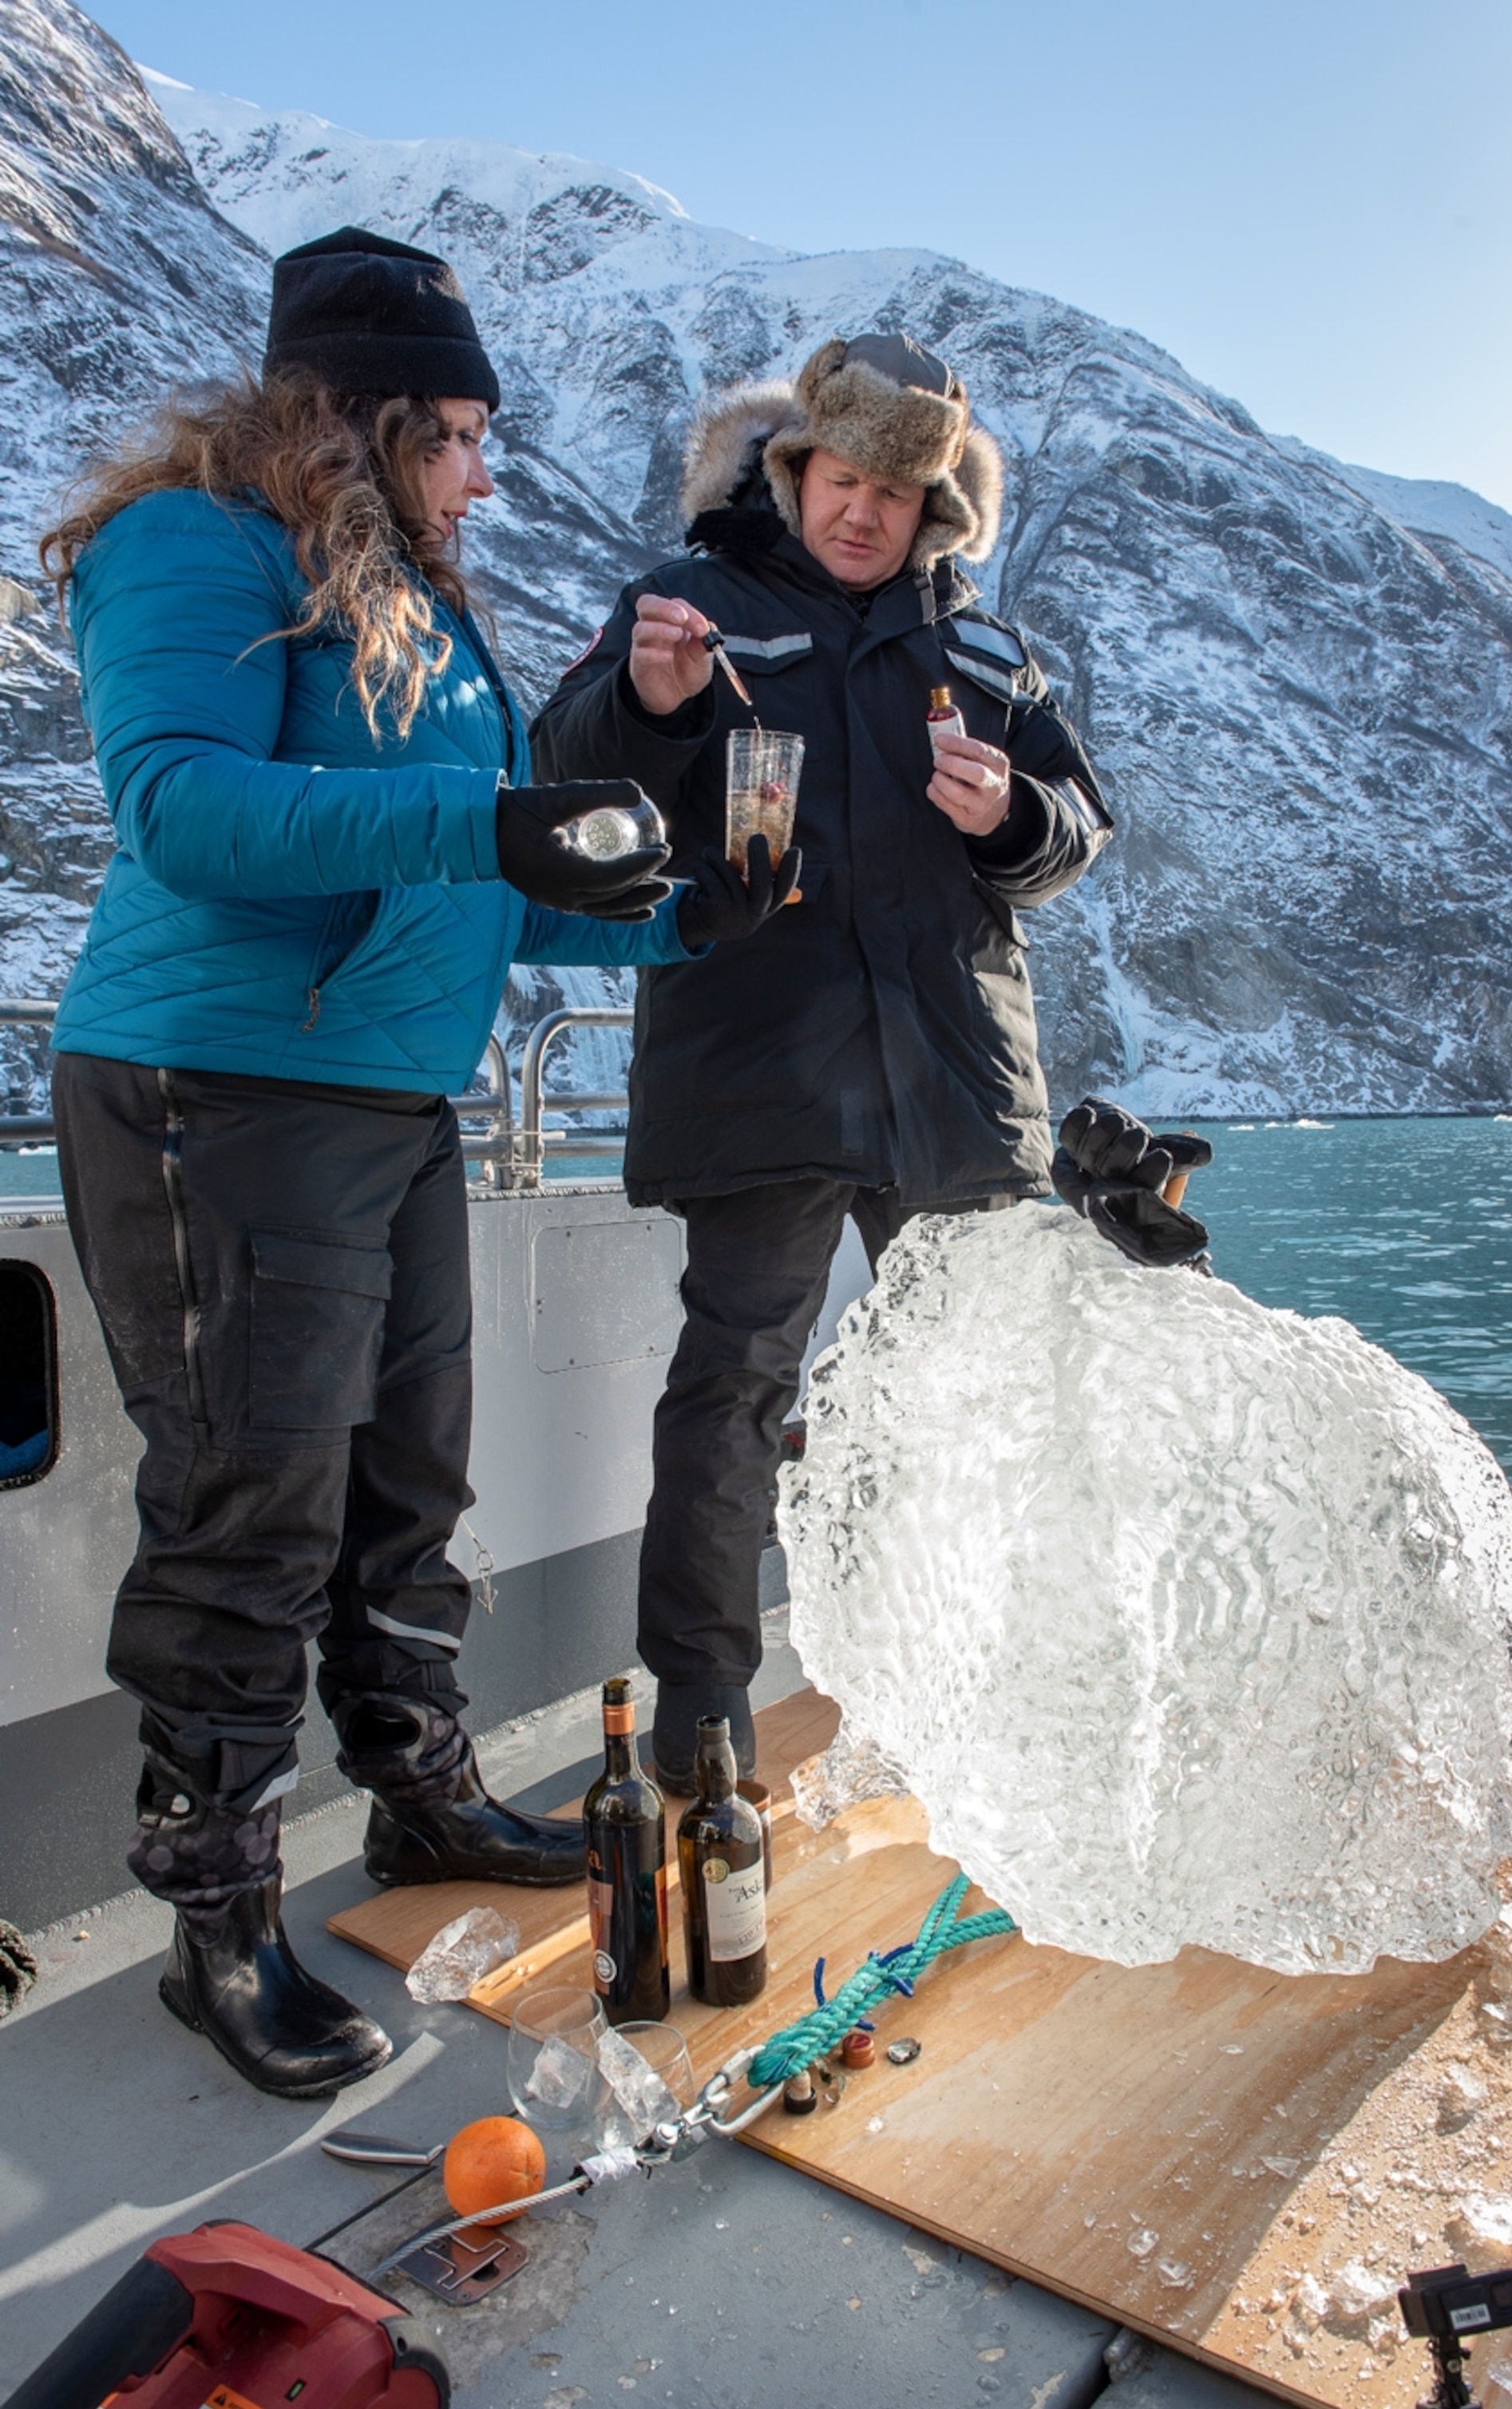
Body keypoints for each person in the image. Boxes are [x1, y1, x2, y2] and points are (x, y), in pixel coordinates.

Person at [39, 226, 791, 2099]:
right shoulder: (193, 540)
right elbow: (186, 810)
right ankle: (215, 1924)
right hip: (218, 1088)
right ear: (357, 417)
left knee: (407, 1482)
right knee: (250, 1513)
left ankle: (420, 1802)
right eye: (456, 429)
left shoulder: (409, 587)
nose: (481, 469)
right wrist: (493, 816)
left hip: (389, 1097)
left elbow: (466, 886)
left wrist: (682, 917)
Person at [532, 331, 1113, 1790]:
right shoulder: (683, 603)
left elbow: (1082, 823)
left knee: (963, 1393)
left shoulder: (986, 648)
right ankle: (701, 1696)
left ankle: (958, 1670)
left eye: (896, 494)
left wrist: (1015, 820)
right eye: (840, 479)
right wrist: (650, 703)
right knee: (733, 1385)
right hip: (762, 1069)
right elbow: (562, 764)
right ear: (794, 471)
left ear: (937, 510)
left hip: (947, 1079)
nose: (862, 513)